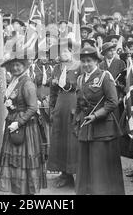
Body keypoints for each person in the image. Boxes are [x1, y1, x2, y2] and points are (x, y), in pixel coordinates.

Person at [74, 46, 124, 195]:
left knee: (100, 168)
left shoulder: (104, 76)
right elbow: (79, 104)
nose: (86, 64)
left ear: (96, 61)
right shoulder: (80, 78)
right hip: (85, 128)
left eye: (89, 61)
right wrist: (76, 121)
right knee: (85, 166)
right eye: (83, 61)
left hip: (103, 128)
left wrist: (96, 115)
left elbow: (112, 102)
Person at [0, 54, 47, 195]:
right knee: (16, 163)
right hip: (14, 124)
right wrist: (10, 106)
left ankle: (28, 192)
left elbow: (32, 108)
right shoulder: (15, 82)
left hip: (25, 128)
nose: (15, 67)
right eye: (13, 65)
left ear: (24, 66)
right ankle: (19, 190)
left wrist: (18, 123)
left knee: (25, 161)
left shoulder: (27, 83)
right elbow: (17, 103)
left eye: (18, 64)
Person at [47, 42, 80, 188]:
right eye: (61, 52)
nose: (63, 54)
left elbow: (82, 87)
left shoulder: (79, 66)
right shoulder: (56, 68)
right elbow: (53, 92)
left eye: (66, 51)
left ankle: (78, 173)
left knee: (73, 138)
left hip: (74, 103)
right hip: (60, 106)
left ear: (72, 51)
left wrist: (80, 109)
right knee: (60, 137)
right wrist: (53, 109)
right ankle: (64, 174)